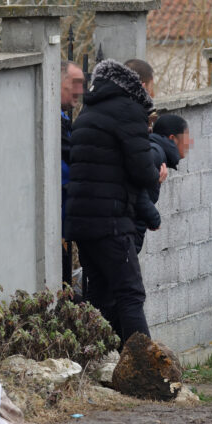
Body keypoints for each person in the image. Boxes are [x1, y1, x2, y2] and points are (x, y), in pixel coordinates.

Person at [64, 58, 167, 346]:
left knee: (100, 294)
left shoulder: (90, 108)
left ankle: (96, 359)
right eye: (152, 88)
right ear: (143, 85)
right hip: (111, 221)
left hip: (81, 222)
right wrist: (155, 174)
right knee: (130, 293)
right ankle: (145, 371)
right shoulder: (129, 110)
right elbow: (139, 168)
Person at [133, 114, 193, 254]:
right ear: (172, 138)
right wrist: (152, 217)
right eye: (186, 137)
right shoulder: (155, 153)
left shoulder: (155, 151)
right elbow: (132, 186)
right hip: (123, 236)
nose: (189, 143)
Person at [60, 61, 85, 288]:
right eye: (75, 83)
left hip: (67, 218)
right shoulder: (53, 119)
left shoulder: (65, 118)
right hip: (56, 219)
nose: (80, 90)